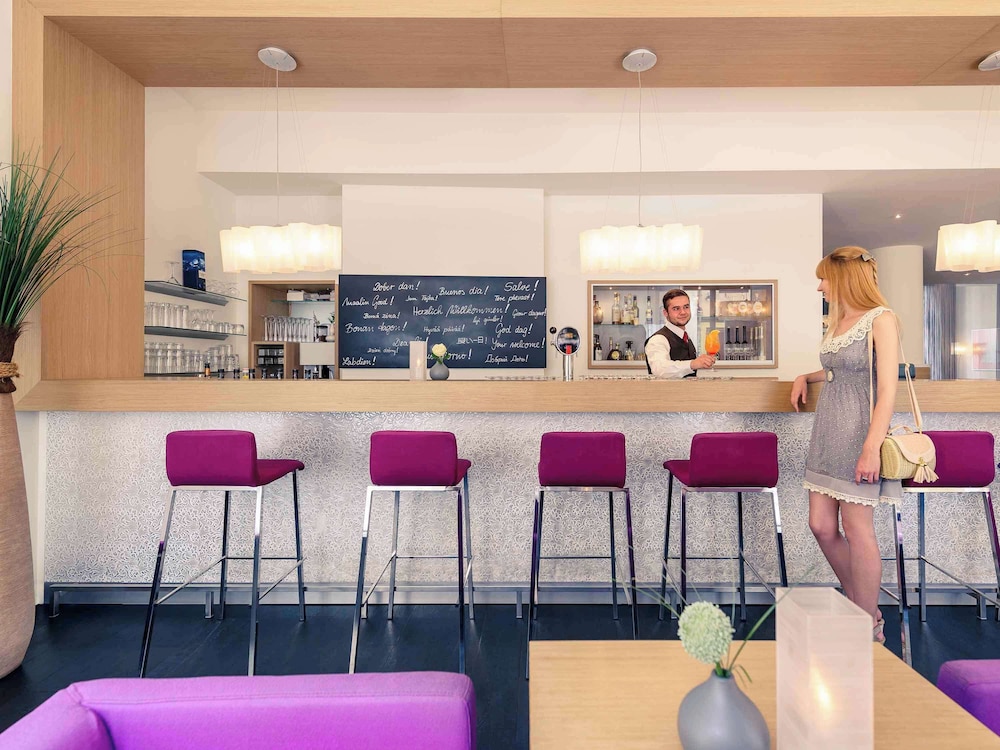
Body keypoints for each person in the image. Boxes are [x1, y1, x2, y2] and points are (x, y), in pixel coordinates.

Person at [791, 246, 900, 644]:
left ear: (843, 278)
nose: (820, 286)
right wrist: (806, 376)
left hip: (859, 434)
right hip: (827, 433)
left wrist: (872, 447)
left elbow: (887, 389)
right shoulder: (839, 320)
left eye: (824, 278)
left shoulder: (882, 319)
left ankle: (867, 623)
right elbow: (840, 367)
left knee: (857, 529)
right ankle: (862, 605)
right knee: (820, 525)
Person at [644, 289, 716, 379]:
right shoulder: (658, 339)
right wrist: (692, 364)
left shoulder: (685, 337)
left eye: (686, 307)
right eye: (676, 309)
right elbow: (660, 369)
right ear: (665, 313)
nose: (683, 312)